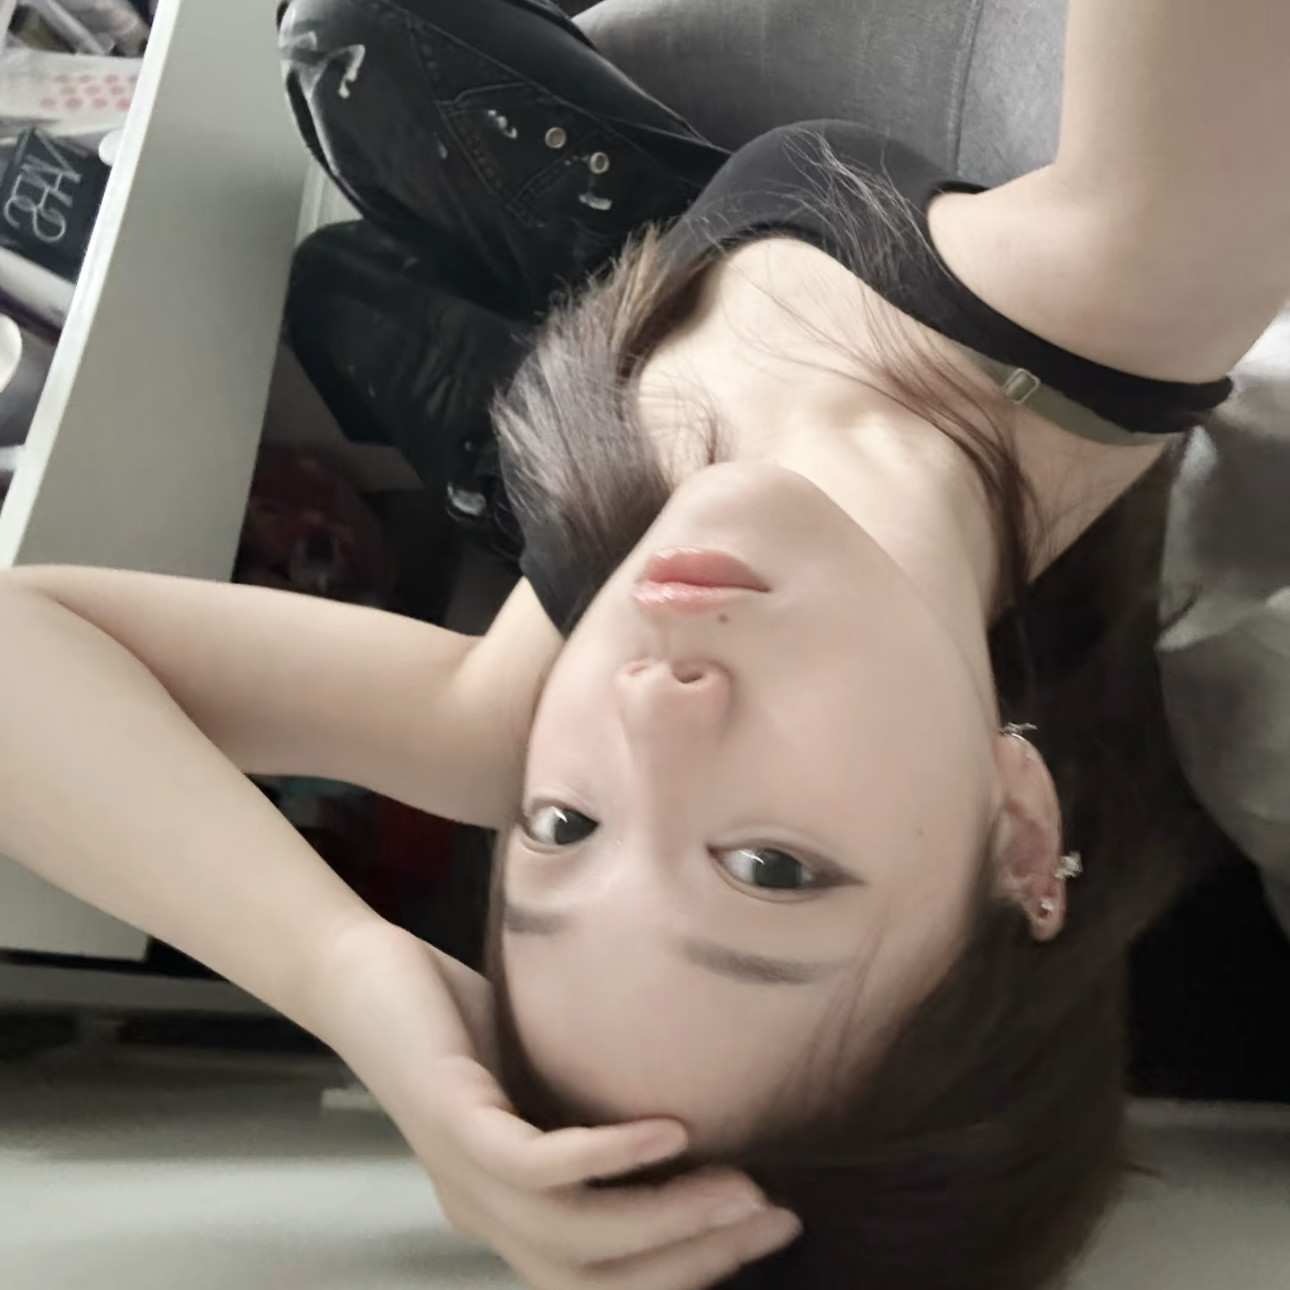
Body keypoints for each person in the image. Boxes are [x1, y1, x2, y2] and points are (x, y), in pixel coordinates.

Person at [0, 2, 1285, 1289]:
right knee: (360, 48)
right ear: (1018, 835)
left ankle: (502, 401)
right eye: (772, 868)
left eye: (564, 832)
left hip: (609, 357)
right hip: (754, 201)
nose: (650, 713)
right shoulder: (1140, 266)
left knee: (344, 191)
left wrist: (346, 971)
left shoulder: (532, 707)